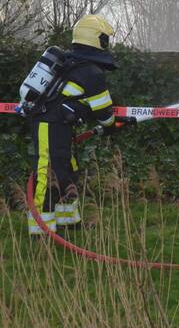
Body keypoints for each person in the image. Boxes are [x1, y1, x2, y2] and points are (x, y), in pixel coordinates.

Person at [27, 14, 120, 235]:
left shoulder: (74, 63)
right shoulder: (91, 72)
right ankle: (40, 231)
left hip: (58, 126)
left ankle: (69, 222)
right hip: (48, 126)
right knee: (46, 174)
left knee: (67, 170)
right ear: (98, 40)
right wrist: (109, 125)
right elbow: (104, 111)